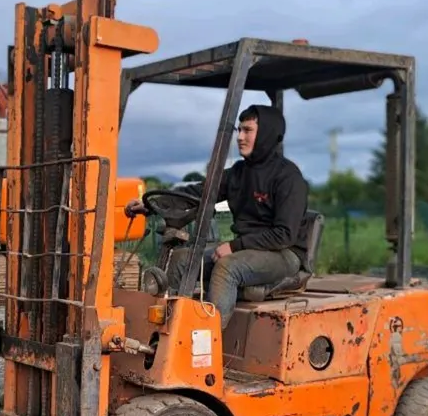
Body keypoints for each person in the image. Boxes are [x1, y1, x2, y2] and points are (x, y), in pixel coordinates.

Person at [128, 104, 308, 326]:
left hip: (283, 253)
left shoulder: (288, 177)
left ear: (267, 134)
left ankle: (209, 341)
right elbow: (199, 192)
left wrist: (234, 246)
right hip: (248, 248)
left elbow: (284, 235)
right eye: (239, 130)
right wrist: (151, 204)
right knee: (183, 259)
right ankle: (169, 330)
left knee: (227, 267)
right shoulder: (238, 173)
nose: (240, 137)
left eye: (248, 130)